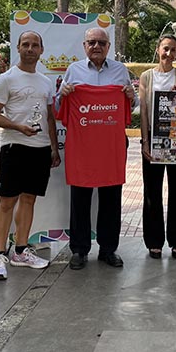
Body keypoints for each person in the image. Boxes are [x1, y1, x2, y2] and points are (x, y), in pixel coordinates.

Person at [57, 27, 137, 270]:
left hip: (111, 146)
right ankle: (79, 250)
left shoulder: (120, 71)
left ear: (108, 47)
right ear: (84, 46)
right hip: (82, 147)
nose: (96, 46)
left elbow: (130, 108)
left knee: (111, 199)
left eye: (102, 43)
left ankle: (108, 249)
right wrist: (63, 94)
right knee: (80, 199)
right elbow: (59, 109)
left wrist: (131, 96)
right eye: (92, 42)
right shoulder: (74, 71)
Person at [0, 31, 61, 281]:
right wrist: (17, 127)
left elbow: (50, 117)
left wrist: (53, 147)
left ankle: (20, 250)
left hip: (40, 149)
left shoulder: (45, 82)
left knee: (29, 199)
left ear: (41, 50)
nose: (30, 49)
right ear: (18, 48)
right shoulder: (6, 79)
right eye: (25, 44)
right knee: (7, 201)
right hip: (14, 147)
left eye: (34, 45)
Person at [139, 35, 176, 259]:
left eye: (173, 50)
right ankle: (154, 241)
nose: (169, 54)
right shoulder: (146, 76)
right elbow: (143, 111)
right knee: (152, 191)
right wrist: (145, 140)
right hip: (154, 138)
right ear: (158, 49)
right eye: (165, 49)